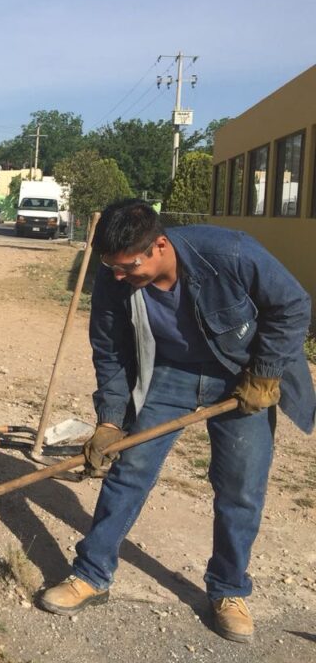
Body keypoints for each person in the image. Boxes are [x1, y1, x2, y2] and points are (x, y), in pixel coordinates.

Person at [37, 199, 315, 644]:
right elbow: (109, 350)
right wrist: (110, 421)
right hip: (167, 374)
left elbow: (293, 305)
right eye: (112, 267)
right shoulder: (115, 277)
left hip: (240, 376)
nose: (119, 276)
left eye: (128, 266)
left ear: (160, 246)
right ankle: (91, 575)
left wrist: (265, 373)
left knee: (241, 487)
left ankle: (228, 590)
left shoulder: (229, 253)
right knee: (128, 472)